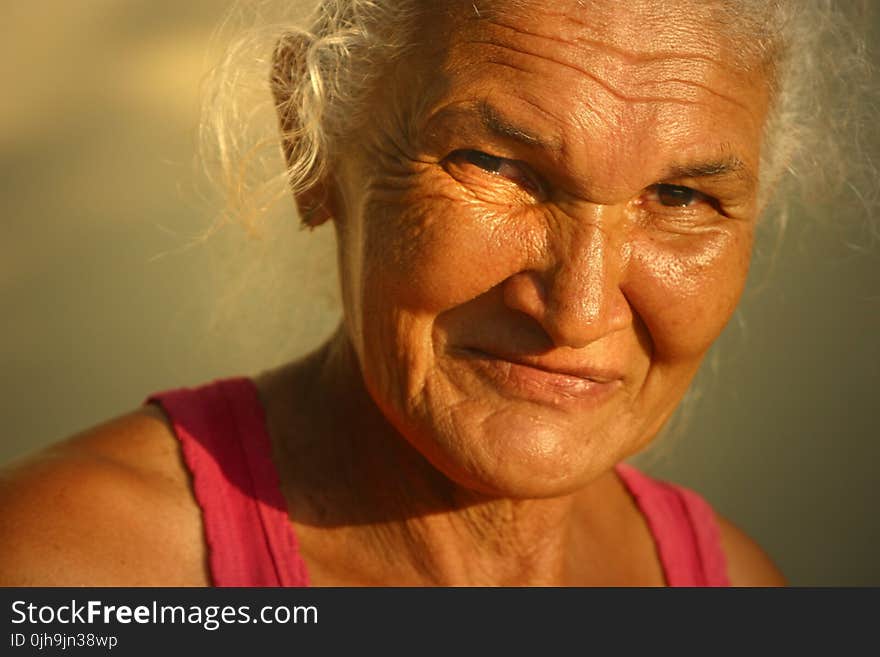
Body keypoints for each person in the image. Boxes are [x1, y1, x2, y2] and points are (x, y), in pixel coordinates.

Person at [0, 0, 871, 586]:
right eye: (493, 165)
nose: (577, 306)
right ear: (313, 140)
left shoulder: (732, 587)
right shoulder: (73, 569)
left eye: (681, 199)